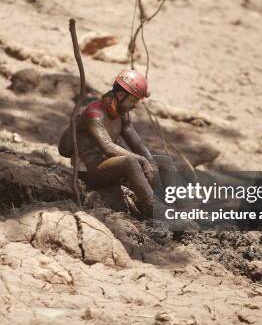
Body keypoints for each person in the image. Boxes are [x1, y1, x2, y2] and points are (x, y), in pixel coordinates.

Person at [58, 69, 178, 217]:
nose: (135, 105)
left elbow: (137, 144)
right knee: (131, 161)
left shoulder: (123, 114)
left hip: (110, 165)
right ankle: (155, 212)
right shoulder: (94, 113)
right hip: (90, 171)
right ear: (121, 95)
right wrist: (141, 160)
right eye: (133, 100)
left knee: (165, 161)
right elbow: (107, 147)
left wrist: (150, 162)